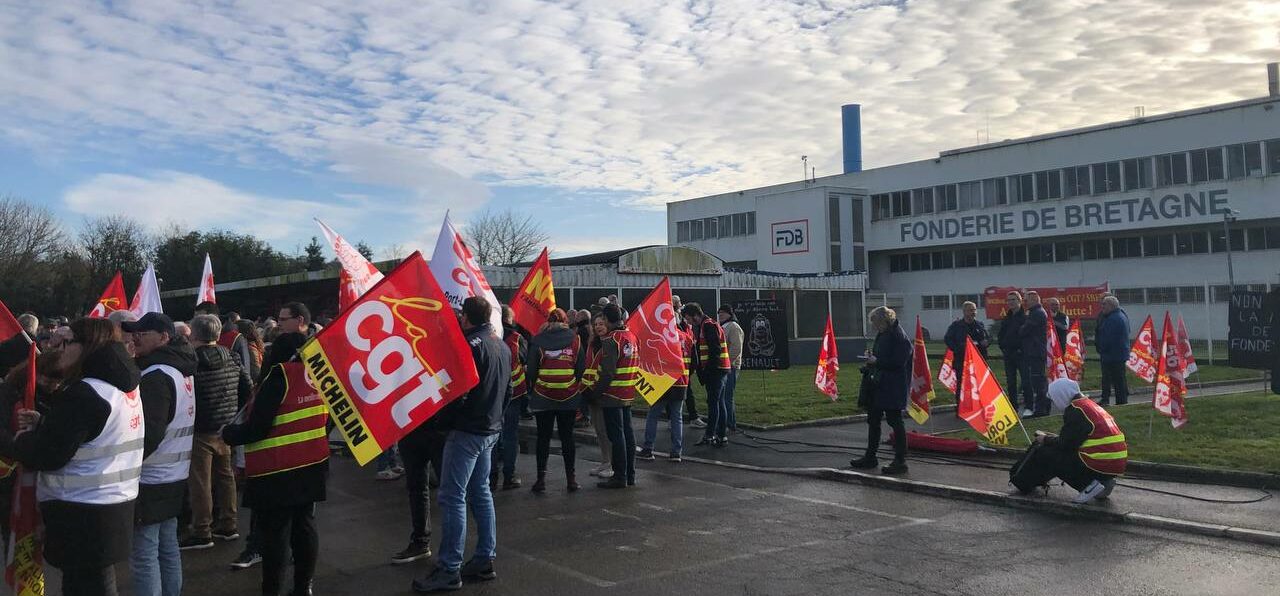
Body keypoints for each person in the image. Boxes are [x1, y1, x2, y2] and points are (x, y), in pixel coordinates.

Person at [0, 318, 142, 595]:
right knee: (99, 583)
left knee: (85, 587)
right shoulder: (122, 385)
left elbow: (47, 454)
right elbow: (94, 434)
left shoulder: (85, 392)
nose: (59, 348)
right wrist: (47, 423)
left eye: (67, 342)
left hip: (82, 516)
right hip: (113, 505)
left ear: (86, 346)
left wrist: (13, 441)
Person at [413, 297, 510, 592]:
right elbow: (509, 389)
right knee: (480, 492)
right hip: (490, 429)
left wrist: (443, 423)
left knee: (453, 496)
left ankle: (449, 568)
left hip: (467, 431)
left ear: (466, 318)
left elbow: (458, 393)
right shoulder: (502, 346)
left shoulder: (469, 346)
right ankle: (484, 558)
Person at [222, 327, 328, 596]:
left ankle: (272, 590)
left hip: (277, 469)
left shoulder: (279, 377)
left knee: (276, 538)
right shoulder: (319, 374)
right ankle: (303, 587)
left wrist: (230, 434)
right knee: (305, 528)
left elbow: (257, 428)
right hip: (312, 463)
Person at [122, 312, 198, 596]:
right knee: (167, 548)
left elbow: (150, 434)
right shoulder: (181, 370)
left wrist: (128, 463)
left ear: (164, 337)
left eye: (144, 331)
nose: (136, 336)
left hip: (152, 478)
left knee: (145, 555)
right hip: (175, 475)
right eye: (134, 332)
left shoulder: (155, 375)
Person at [185, 315, 251, 550]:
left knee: (201, 481)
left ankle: (202, 529)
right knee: (226, 477)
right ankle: (229, 523)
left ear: (194, 334)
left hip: (201, 428)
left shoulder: (190, 362)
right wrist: (233, 415)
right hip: (226, 427)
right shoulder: (232, 358)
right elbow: (248, 388)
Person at [1012, 378, 1126, 504]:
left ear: (1061, 395)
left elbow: (1065, 445)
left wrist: (1045, 439)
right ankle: (1102, 481)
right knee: (1058, 452)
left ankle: (1086, 486)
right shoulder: (1088, 405)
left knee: (1047, 454)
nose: (1054, 402)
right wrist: (1052, 438)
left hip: (1099, 462)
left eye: (1054, 398)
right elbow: (1075, 439)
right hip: (1114, 462)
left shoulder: (1075, 409)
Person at [526, 308, 584, 493]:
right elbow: (580, 369)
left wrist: (536, 388)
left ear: (548, 321)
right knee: (567, 437)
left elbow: (531, 371)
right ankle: (571, 479)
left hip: (543, 397)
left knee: (543, 438)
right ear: (566, 321)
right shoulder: (575, 340)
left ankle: (541, 479)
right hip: (568, 397)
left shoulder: (538, 341)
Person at [850, 306, 911, 475]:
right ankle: (870, 456)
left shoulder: (899, 336)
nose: (874, 326)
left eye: (876, 322)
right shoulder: (884, 334)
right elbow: (883, 357)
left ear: (885, 320)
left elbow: (899, 362)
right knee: (873, 419)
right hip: (879, 384)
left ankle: (900, 460)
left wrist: (877, 361)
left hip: (892, 386)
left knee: (895, 421)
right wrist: (872, 357)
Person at [585, 304, 639, 489]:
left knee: (617, 437)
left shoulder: (611, 340)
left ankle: (620, 476)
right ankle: (630, 474)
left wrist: (594, 394)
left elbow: (607, 372)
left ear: (607, 320)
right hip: (628, 392)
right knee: (628, 434)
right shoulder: (631, 336)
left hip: (612, 394)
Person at [637, 319, 691, 462]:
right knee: (676, 417)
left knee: (653, 415)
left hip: (663, 381)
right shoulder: (686, 337)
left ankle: (648, 448)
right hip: (681, 382)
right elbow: (694, 361)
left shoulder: (660, 336)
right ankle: (676, 452)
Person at [490, 306, 528, 490]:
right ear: (511, 319)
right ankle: (509, 475)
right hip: (514, 393)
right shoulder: (517, 338)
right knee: (511, 435)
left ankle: (491, 477)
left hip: (493, 393)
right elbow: (525, 360)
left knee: (493, 434)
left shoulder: (490, 337)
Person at [683, 303, 731, 447]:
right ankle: (721, 435)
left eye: (688, 318)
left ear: (694, 315)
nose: (688, 321)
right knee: (719, 403)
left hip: (715, 371)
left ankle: (710, 435)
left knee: (713, 404)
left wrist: (707, 372)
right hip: (720, 369)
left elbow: (714, 351)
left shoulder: (708, 326)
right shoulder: (708, 324)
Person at [582, 314, 614, 478]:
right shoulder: (592, 344)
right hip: (591, 390)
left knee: (607, 430)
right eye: (596, 324)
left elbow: (608, 371)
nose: (598, 327)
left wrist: (597, 391)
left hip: (604, 392)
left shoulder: (610, 342)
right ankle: (605, 461)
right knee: (599, 430)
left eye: (602, 323)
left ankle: (612, 464)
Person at [943, 301, 989, 407]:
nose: (973, 312)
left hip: (978, 361)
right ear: (964, 312)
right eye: (970, 310)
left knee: (978, 384)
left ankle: (978, 406)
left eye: (974, 310)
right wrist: (958, 348)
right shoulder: (956, 326)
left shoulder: (980, 325)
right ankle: (961, 408)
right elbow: (948, 339)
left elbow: (987, 338)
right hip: (961, 360)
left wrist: (986, 342)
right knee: (962, 385)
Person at [1094, 296, 1131, 406]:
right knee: (1119, 379)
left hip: (1112, 355)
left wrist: (1101, 348)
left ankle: (1121, 402)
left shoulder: (1113, 319)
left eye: (1104, 304)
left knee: (1117, 380)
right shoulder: (1120, 315)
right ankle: (1120, 400)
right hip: (1118, 354)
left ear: (1111, 305)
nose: (1102, 307)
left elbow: (1108, 338)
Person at [1019, 291, 1050, 417]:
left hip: (1036, 351)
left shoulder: (1036, 313)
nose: (1024, 303)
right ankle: (1042, 408)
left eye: (1026, 300)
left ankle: (1041, 409)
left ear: (1034, 300)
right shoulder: (1036, 312)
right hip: (1036, 350)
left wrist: (1021, 328)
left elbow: (1024, 330)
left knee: (1038, 381)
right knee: (1039, 381)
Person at [996, 291, 1025, 412]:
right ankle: (1013, 407)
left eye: (1013, 300)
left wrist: (1021, 349)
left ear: (1019, 301)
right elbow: (1001, 335)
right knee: (1011, 382)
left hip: (1021, 354)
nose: (1011, 302)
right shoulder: (1007, 318)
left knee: (1026, 381)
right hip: (1008, 355)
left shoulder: (1025, 317)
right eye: (1009, 300)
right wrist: (1003, 347)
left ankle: (1029, 406)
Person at [717, 305, 744, 432]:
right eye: (719, 312)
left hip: (731, 366)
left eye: (723, 313)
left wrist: (728, 363)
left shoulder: (733, 327)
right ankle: (725, 422)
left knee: (727, 396)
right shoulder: (722, 327)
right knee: (722, 396)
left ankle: (730, 423)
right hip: (723, 366)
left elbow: (736, 348)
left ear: (729, 314)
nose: (720, 315)